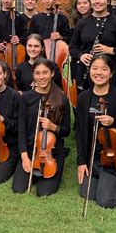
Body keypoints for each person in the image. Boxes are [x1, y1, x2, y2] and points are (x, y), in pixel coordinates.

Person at [76, 54, 116, 208]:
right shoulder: (84, 98)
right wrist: (82, 162)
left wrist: (114, 122)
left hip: (114, 158)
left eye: (104, 69)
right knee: (87, 194)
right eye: (95, 68)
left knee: (105, 202)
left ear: (111, 73)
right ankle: (103, 181)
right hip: (93, 158)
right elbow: (80, 133)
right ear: (89, 70)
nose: (98, 73)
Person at [12, 58, 71, 196]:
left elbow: (67, 131)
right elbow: (21, 128)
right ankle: (32, 169)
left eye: (45, 72)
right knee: (18, 189)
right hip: (31, 149)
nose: (41, 77)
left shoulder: (62, 99)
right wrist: (25, 157)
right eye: (37, 73)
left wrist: (53, 127)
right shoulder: (26, 97)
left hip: (53, 152)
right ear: (33, 75)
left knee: (44, 192)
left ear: (52, 73)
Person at [69, 0, 116, 91]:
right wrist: (81, 55)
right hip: (86, 73)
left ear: (108, 1)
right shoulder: (82, 23)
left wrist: (110, 50)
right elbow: (72, 47)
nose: (97, 1)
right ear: (90, 1)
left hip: (110, 74)